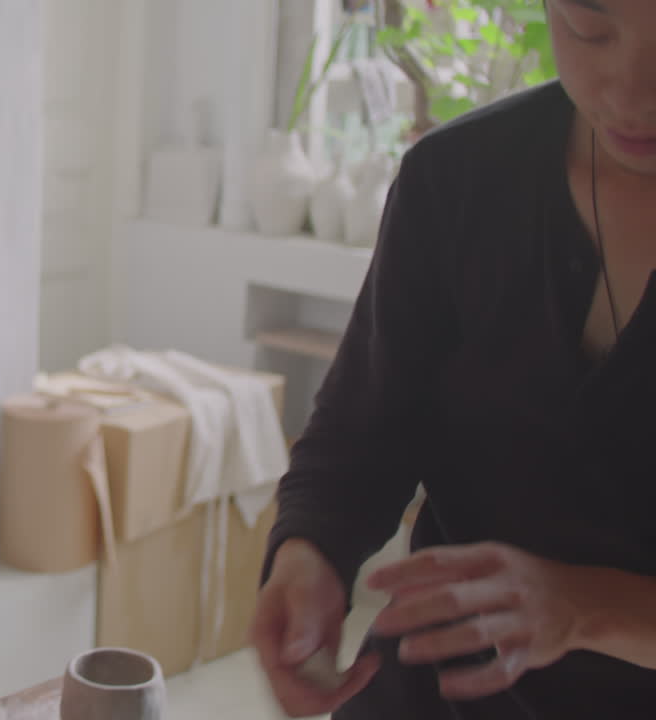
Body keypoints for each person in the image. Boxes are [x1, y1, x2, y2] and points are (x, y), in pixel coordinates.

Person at [252, 1, 656, 717]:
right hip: (433, 693)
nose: (629, 92)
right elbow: (357, 442)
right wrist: (308, 560)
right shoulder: (459, 181)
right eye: (589, 26)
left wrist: (586, 607)